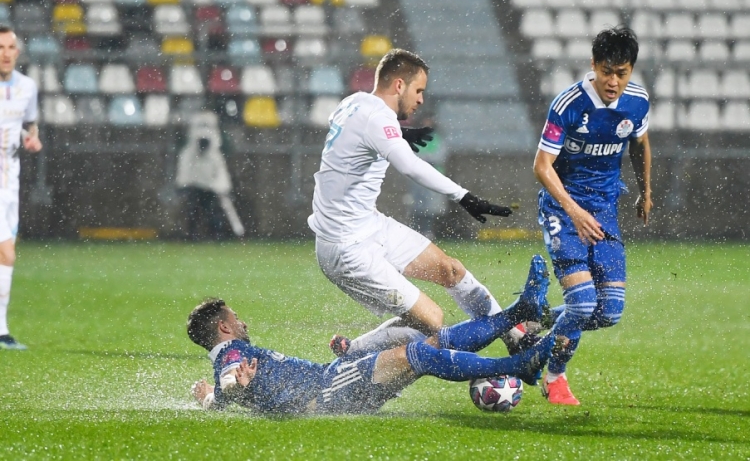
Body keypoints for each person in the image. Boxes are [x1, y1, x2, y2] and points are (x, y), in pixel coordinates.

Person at [308, 48, 518, 353]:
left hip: (370, 225)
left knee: (451, 270)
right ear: (398, 86)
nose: (421, 99)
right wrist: (464, 196)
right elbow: (410, 166)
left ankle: (515, 338)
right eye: (418, 90)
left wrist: (400, 134)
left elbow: (356, 134)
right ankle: (352, 352)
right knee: (431, 321)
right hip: (346, 247)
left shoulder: (353, 103)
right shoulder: (377, 118)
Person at [187, 265, 559, 415]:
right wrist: (229, 388)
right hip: (327, 393)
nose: (242, 321)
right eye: (236, 318)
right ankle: (517, 362)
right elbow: (230, 378)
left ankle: (518, 312)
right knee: (418, 354)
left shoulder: (230, 354)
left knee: (426, 344)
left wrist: (211, 398)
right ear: (224, 328)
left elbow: (223, 391)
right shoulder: (231, 353)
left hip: (331, 380)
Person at [533, 25, 652, 405]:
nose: (613, 82)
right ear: (593, 65)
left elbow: (640, 143)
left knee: (609, 312)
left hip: (603, 211)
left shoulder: (637, 102)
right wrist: (573, 209)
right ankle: (554, 376)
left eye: (622, 73)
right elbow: (542, 165)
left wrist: (645, 192)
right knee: (582, 304)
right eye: (606, 72)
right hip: (563, 206)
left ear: (630, 70)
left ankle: (531, 319)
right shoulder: (568, 104)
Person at [0, 25, 43, 350]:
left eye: (9, 47)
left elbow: (30, 122)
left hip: (10, 180)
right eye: (0, 47)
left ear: (17, 51)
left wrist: (32, 137)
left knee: (5, 254)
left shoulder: (27, 86)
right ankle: (1, 331)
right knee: (7, 253)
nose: (5, 53)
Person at [175, 111, 244, 240]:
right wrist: (184, 184)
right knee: (193, 211)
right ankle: (192, 234)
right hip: (195, 186)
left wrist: (221, 187)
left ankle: (217, 234)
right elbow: (184, 169)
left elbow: (220, 173)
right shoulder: (189, 153)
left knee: (214, 212)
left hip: (211, 187)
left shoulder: (215, 155)